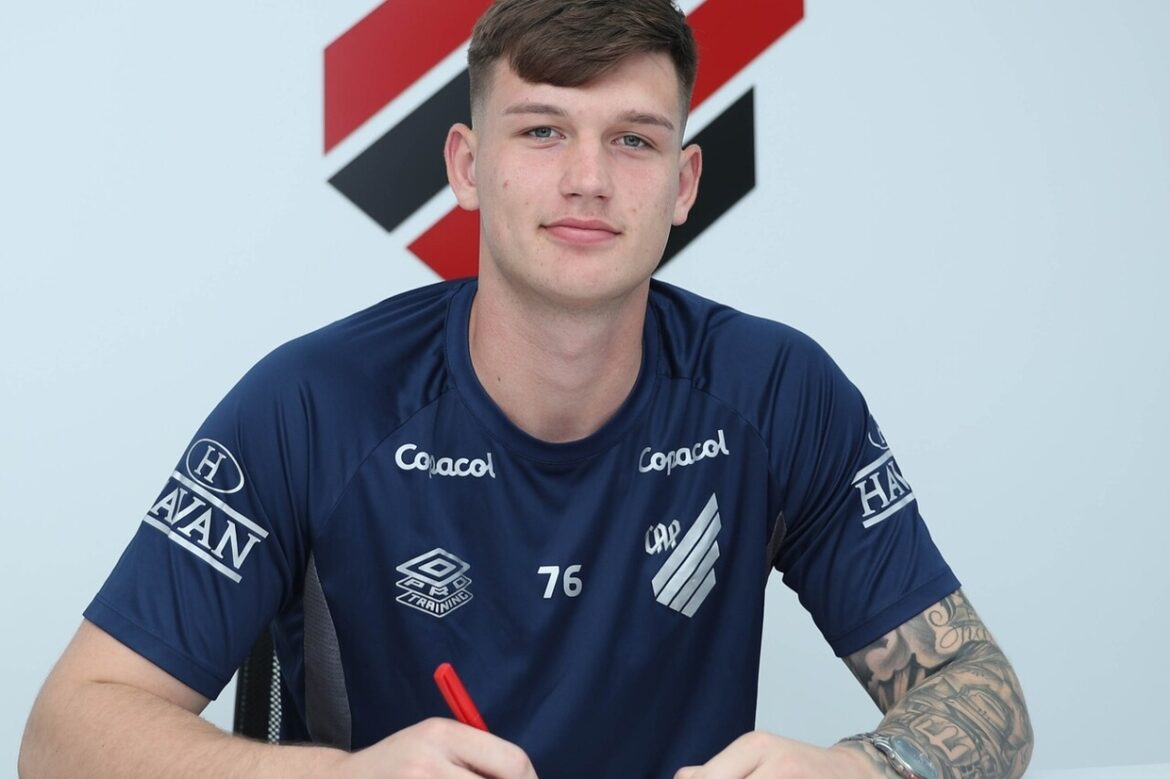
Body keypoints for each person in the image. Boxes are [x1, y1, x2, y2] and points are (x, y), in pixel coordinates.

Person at [20, 1, 1033, 776]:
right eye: (543, 131)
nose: (589, 178)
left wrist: (865, 769)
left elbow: (984, 691)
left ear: (684, 184)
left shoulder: (777, 393)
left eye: (634, 139)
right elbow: (63, 731)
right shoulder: (313, 402)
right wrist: (345, 778)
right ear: (467, 166)